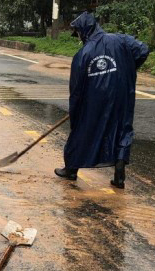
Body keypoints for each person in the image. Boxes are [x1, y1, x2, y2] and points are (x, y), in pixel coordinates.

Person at [55, 12, 149, 189]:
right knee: (122, 128)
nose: (79, 38)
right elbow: (143, 49)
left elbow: (76, 91)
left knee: (82, 129)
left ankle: (71, 169)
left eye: (78, 34)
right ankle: (119, 171)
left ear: (84, 31)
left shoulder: (83, 55)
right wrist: (127, 67)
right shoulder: (121, 40)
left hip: (95, 100)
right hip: (122, 95)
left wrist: (75, 113)